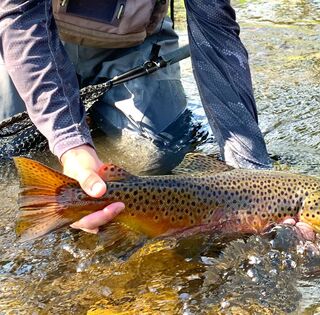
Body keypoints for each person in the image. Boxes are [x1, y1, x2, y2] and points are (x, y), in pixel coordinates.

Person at [0, 0, 272, 234]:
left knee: (157, 154)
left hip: (133, 41)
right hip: (24, 37)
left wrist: (253, 179)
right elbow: (20, 19)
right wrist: (70, 144)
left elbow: (216, 35)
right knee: (11, 153)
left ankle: (89, 122)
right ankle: (78, 130)